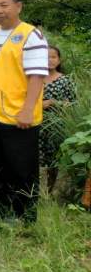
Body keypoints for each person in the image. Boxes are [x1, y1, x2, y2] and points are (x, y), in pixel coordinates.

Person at [0, 0, 48, 224]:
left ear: (18, 6)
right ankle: (0, 212)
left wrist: (28, 109)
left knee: (20, 167)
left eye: (4, 5)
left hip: (17, 114)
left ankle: (25, 216)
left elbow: (37, 75)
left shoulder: (31, 35)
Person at [40, 46, 77, 194]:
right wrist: (39, 104)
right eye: (46, 57)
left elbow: (74, 103)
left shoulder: (65, 80)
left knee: (53, 160)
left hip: (57, 125)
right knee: (33, 157)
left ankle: (49, 191)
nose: (49, 60)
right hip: (36, 123)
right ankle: (33, 190)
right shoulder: (35, 79)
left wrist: (54, 103)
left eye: (53, 57)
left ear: (59, 59)